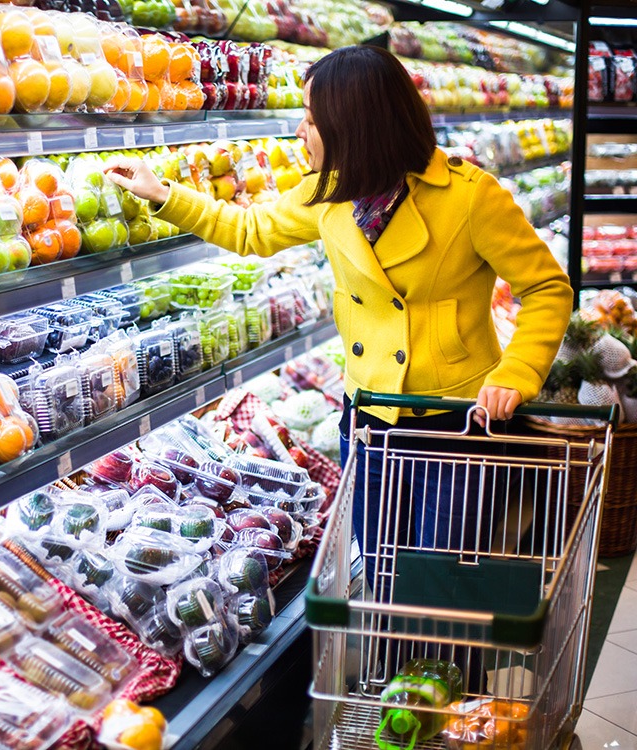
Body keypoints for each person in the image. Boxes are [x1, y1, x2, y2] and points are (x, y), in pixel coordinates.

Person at [104, 45, 573, 611]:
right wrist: (165, 194)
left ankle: (436, 684)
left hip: (455, 426)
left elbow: (547, 287)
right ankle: (393, 677)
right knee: (381, 571)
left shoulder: (471, 197)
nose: (301, 130)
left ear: (354, 125)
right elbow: (253, 229)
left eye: (310, 117)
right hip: (370, 419)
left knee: (436, 580)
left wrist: (518, 372)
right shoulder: (330, 191)